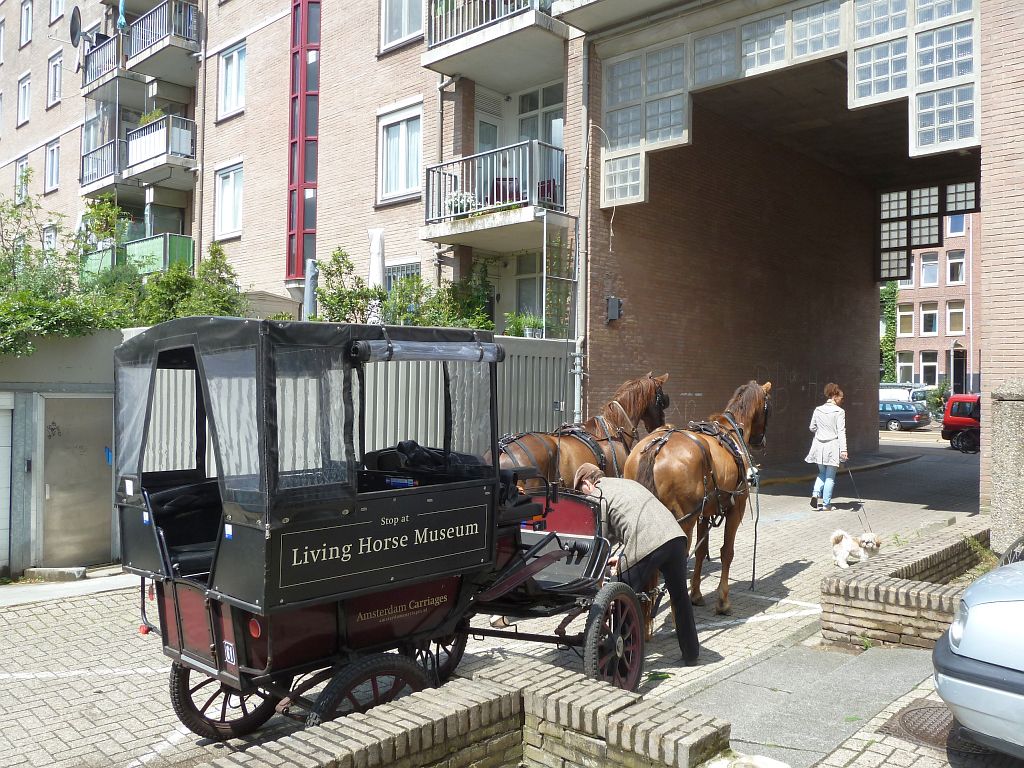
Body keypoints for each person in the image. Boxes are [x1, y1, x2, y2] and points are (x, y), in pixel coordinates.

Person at [572, 463, 700, 665]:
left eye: (581, 491)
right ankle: (691, 653)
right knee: (680, 597)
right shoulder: (626, 483)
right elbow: (631, 522)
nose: (584, 496)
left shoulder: (597, 494)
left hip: (649, 544)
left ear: (586, 483)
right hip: (675, 537)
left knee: (619, 596)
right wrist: (622, 556)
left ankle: (622, 661)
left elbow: (600, 539)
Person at [805, 382, 848, 511]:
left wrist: (821, 430)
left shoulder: (818, 410)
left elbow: (812, 427)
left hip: (818, 446)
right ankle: (826, 504)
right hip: (832, 446)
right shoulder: (839, 412)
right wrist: (844, 450)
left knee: (821, 472)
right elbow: (841, 431)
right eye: (841, 398)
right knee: (830, 476)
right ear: (835, 396)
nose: (842, 400)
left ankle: (815, 493)